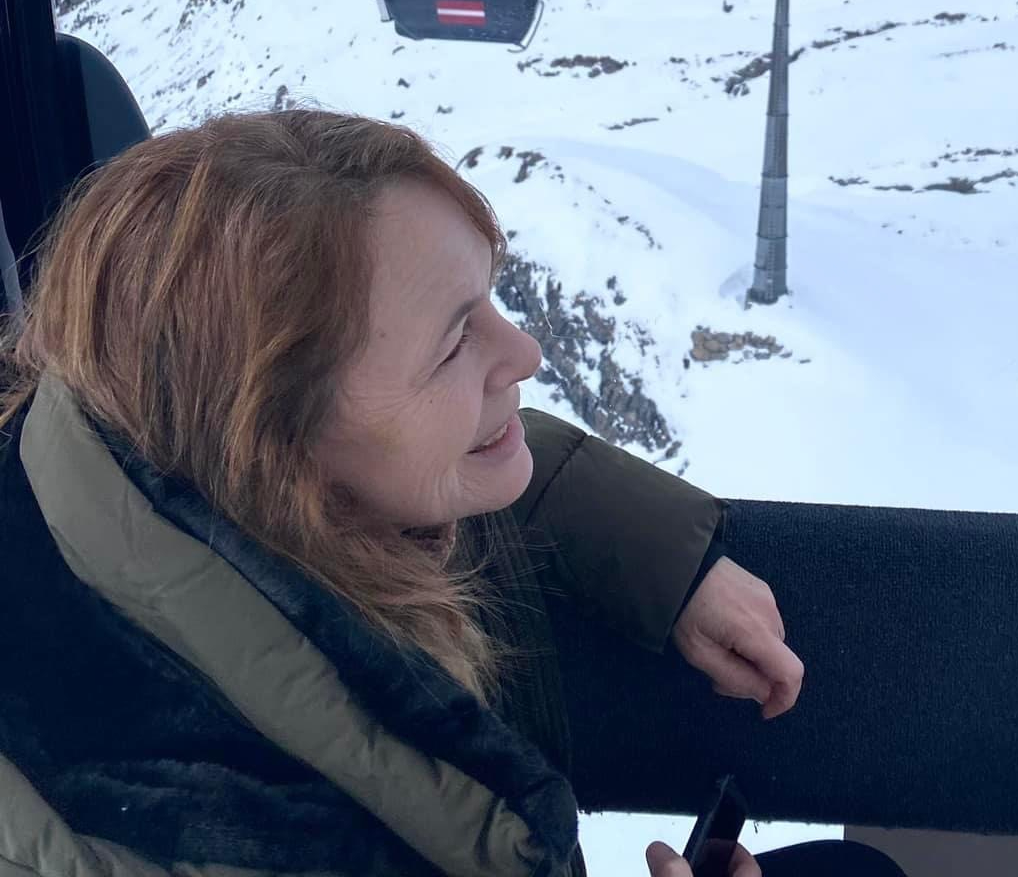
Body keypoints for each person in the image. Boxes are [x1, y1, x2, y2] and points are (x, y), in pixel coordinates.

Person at [0, 108, 903, 877]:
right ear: (278, 450)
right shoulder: (243, 830)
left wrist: (663, 562)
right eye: (451, 346)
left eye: (490, 304)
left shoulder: (123, 460)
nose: (526, 355)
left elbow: (447, 447)